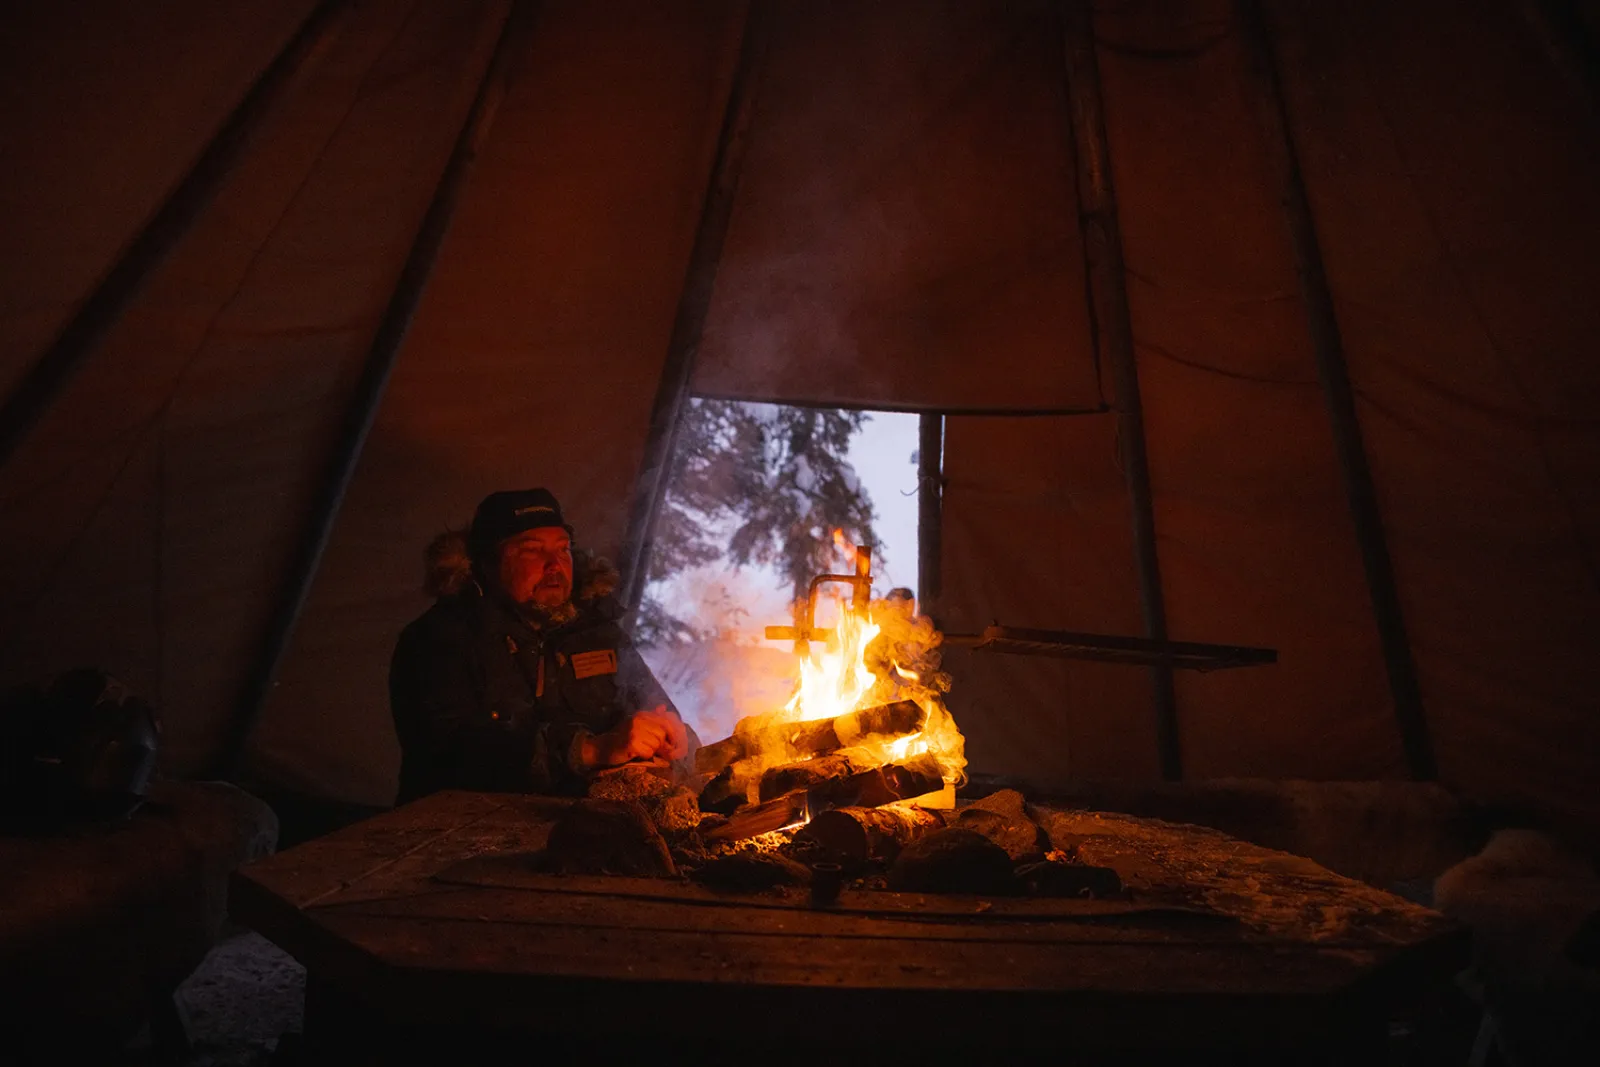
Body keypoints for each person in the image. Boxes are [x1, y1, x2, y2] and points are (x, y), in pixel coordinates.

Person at [389, 488, 693, 804]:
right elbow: (456, 754)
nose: (554, 565)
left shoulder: (596, 631)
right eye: (531, 551)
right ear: (486, 564)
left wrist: (671, 737)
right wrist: (591, 750)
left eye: (563, 550)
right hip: (453, 833)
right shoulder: (438, 641)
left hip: (578, 826)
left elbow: (653, 706)